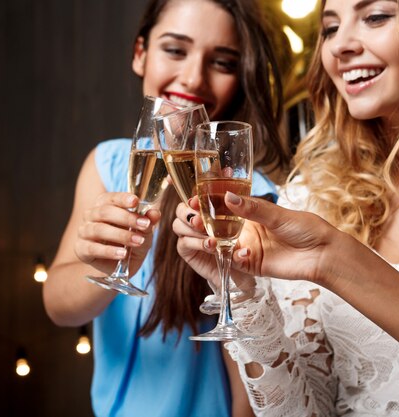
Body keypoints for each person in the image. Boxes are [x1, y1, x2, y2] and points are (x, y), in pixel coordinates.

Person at [173, 0, 399, 415]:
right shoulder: (313, 196)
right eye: (330, 28)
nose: (339, 46)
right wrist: (243, 291)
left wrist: (337, 261)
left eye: (375, 17)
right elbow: (298, 410)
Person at [42, 0, 291, 416]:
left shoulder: (249, 199)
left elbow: (249, 391)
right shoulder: (108, 163)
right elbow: (57, 306)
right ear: (140, 53)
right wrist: (107, 265)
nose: (193, 77)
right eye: (175, 50)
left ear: (240, 79)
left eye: (223, 62)